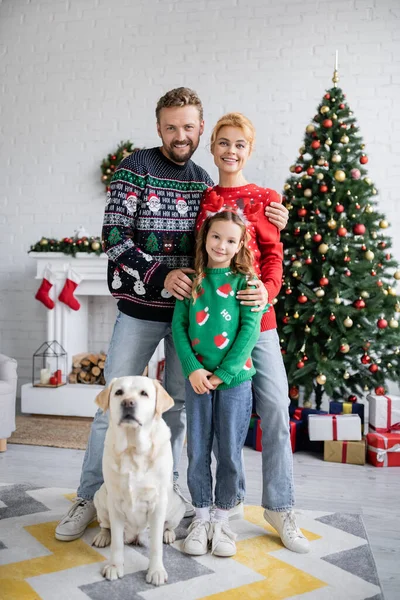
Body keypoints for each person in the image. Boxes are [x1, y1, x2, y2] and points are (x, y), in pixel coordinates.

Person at [54, 88, 289, 543]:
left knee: (178, 409)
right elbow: (114, 237)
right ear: (158, 127)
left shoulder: (204, 182)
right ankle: (88, 497)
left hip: (194, 319)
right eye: (170, 127)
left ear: (201, 129)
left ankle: (176, 493)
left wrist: (275, 217)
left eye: (188, 127)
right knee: (108, 405)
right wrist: (160, 275)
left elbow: (236, 233)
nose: (180, 135)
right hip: (141, 309)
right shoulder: (134, 168)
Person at [193, 112, 309, 553]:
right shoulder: (204, 200)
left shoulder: (266, 198)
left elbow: (274, 258)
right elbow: (198, 254)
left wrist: (268, 291)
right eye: (223, 142)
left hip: (258, 326)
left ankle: (280, 508)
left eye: (239, 144)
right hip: (210, 330)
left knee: (276, 407)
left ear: (249, 150)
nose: (230, 151)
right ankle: (212, 507)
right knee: (209, 421)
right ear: (213, 147)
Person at [172, 209, 264, 557]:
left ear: (240, 244)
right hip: (198, 382)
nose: (221, 245)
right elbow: (180, 328)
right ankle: (200, 516)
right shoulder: (192, 281)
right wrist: (193, 369)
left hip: (234, 381)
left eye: (230, 240)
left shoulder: (247, 284)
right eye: (215, 237)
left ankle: (222, 519)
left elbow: (248, 331)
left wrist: (223, 374)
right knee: (197, 450)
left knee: (228, 450)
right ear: (205, 238)